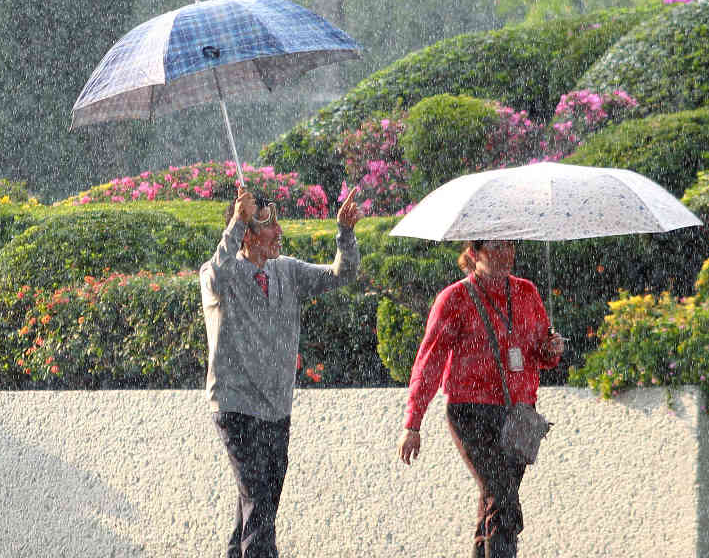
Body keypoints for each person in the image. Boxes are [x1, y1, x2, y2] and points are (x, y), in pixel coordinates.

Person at [200, 185, 361, 558]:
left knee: (257, 505)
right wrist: (237, 223)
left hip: (276, 409)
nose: (279, 232)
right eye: (270, 225)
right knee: (259, 501)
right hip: (236, 406)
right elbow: (215, 277)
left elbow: (341, 275)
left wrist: (345, 233)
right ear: (248, 234)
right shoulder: (219, 273)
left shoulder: (286, 270)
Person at [397, 239, 565, 558]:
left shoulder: (526, 292)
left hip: (520, 414)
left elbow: (542, 353)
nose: (507, 254)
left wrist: (550, 349)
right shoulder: (456, 298)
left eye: (510, 246)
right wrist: (413, 423)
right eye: (496, 247)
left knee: (495, 503)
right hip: (471, 412)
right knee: (504, 500)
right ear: (473, 254)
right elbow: (429, 361)